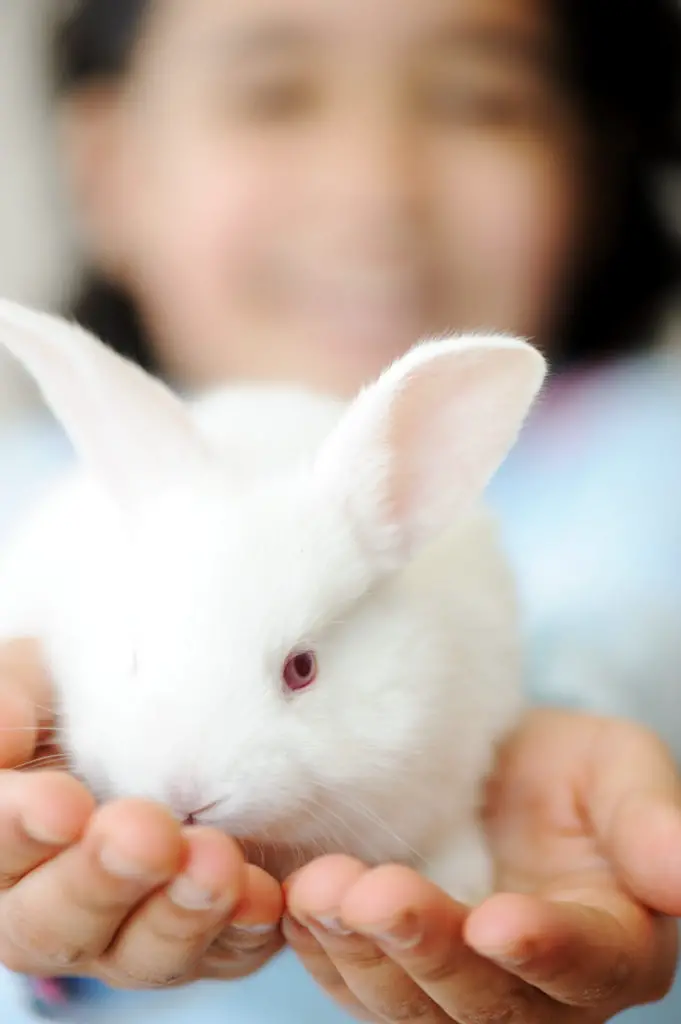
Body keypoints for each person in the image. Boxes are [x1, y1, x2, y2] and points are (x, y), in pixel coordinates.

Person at [0, 0, 680, 1020]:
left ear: (591, 158)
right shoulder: (43, 485)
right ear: (106, 167)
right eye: (273, 96)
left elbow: (649, 627)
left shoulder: (650, 450)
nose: (375, 191)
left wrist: (560, 719)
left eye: (478, 100)